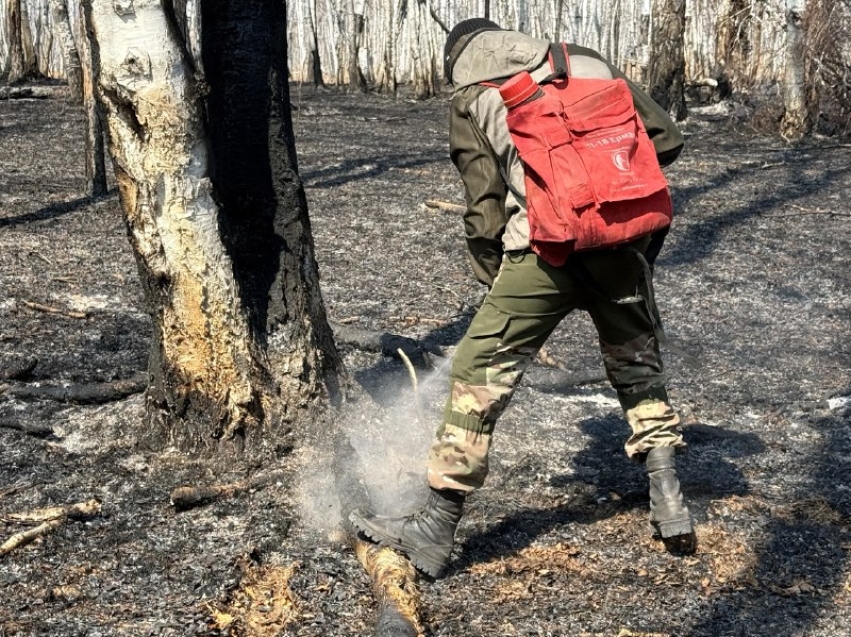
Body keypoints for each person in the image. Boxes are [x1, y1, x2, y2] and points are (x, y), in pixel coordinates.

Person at [350, 18, 693, 578]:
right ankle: (669, 495)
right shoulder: (585, 59)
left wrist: (495, 275)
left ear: (458, 61)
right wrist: (611, 188)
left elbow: (484, 207)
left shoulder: (474, 97)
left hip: (541, 254)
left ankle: (435, 528)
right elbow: (666, 141)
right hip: (619, 249)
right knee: (636, 363)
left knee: (477, 369)